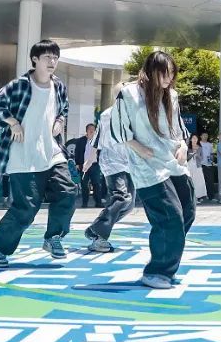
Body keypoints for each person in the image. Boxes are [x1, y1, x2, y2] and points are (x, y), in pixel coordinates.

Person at [0, 40, 78, 267]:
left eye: (55, 58)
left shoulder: (59, 86)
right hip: (23, 155)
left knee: (67, 192)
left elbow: (64, 108)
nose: (52, 62)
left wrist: (60, 120)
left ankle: (53, 237)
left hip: (52, 152)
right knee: (26, 207)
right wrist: (13, 122)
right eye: (47, 57)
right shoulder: (20, 85)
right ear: (35, 59)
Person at [108, 50, 194, 289]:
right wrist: (138, 147)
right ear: (151, 71)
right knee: (170, 216)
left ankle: (164, 253)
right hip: (147, 165)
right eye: (164, 73)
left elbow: (178, 129)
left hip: (172, 160)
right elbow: (118, 128)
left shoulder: (172, 95)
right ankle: (157, 271)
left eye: (172, 74)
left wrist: (183, 146)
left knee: (187, 210)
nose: (169, 79)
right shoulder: (129, 94)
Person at [84, 106, 137, 253]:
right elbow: (97, 137)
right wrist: (90, 159)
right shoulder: (108, 114)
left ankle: (95, 229)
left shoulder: (136, 111)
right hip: (112, 161)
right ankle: (99, 235)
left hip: (128, 163)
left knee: (129, 204)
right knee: (122, 198)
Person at [72, 123, 103, 208]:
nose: (92, 131)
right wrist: (77, 164)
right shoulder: (81, 141)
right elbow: (77, 152)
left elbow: (101, 152)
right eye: (90, 129)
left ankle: (98, 202)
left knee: (96, 184)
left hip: (94, 165)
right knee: (84, 184)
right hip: (83, 165)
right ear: (86, 131)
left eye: (93, 129)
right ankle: (85, 203)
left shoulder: (98, 141)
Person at [186, 133, 208, 202]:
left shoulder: (200, 148)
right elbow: (185, 158)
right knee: (191, 181)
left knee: (199, 181)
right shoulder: (188, 148)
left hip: (198, 166)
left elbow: (202, 158)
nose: (195, 140)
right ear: (190, 139)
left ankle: (198, 196)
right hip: (189, 166)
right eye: (193, 138)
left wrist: (197, 155)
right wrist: (191, 155)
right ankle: (192, 196)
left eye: (196, 138)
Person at [199, 132, 217, 201]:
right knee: (201, 181)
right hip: (200, 165)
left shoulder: (210, 144)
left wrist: (211, 161)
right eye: (204, 135)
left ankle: (211, 197)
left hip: (209, 165)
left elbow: (211, 154)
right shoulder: (199, 144)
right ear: (201, 136)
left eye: (206, 135)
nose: (205, 137)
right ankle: (201, 197)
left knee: (210, 181)